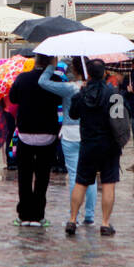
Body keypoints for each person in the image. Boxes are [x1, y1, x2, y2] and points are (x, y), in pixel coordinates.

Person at [65, 59, 125, 236]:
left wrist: (82, 92)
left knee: (81, 182)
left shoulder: (82, 93)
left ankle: (72, 219)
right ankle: (105, 223)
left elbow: (73, 114)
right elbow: (120, 119)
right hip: (109, 145)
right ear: (104, 73)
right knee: (108, 183)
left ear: (88, 74)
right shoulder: (112, 94)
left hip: (88, 143)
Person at [41, 59, 96, 226]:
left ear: (74, 68)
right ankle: (89, 215)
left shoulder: (68, 88)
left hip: (70, 131)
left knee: (74, 175)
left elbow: (42, 81)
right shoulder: (94, 89)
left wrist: (51, 64)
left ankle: (74, 215)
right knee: (90, 176)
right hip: (89, 132)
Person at [8, 53, 60, 226]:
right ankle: (38, 215)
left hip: (26, 133)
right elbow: (60, 100)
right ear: (51, 62)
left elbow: (13, 98)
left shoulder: (22, 78)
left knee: (24, 175)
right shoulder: (55, 80)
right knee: (42, 176)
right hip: (48, 134)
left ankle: (24, 215)